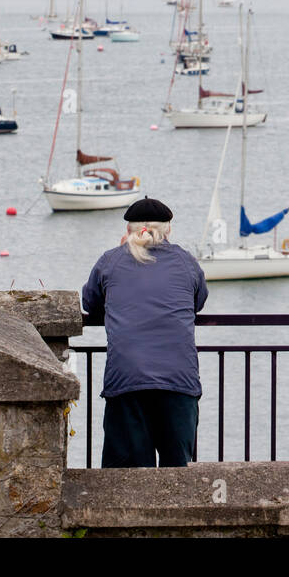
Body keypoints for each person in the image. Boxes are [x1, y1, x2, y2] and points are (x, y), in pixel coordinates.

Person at [81, 197, 208, 467]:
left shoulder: (111, 261)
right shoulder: (186, 262)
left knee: (126, 478)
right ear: (168, 230)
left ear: (129, 230)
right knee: (178, 474)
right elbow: (198, 301)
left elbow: (89, 303)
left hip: (127, 377)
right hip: (178, 379)